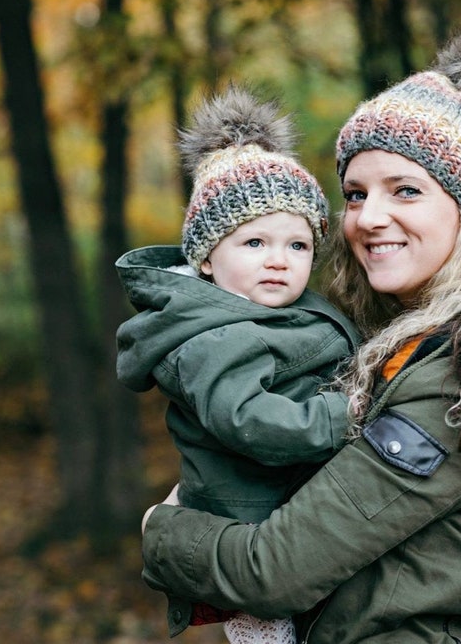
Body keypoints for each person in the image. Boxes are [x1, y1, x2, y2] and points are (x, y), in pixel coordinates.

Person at [138, 30, 461, 643]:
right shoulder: (396, 347)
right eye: (355, 194)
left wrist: (161, 529)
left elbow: (272, 571)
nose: (368, 217)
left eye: (405, 190)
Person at [115, 87, 359, 644]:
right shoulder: (214, 338)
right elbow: (249, 420)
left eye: (298, 246)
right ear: (206, 257)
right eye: (254, 242)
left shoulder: (273, 313)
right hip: (245, 525)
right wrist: (343, 415)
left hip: (289, 509)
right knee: (269, 626)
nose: (278, 260)